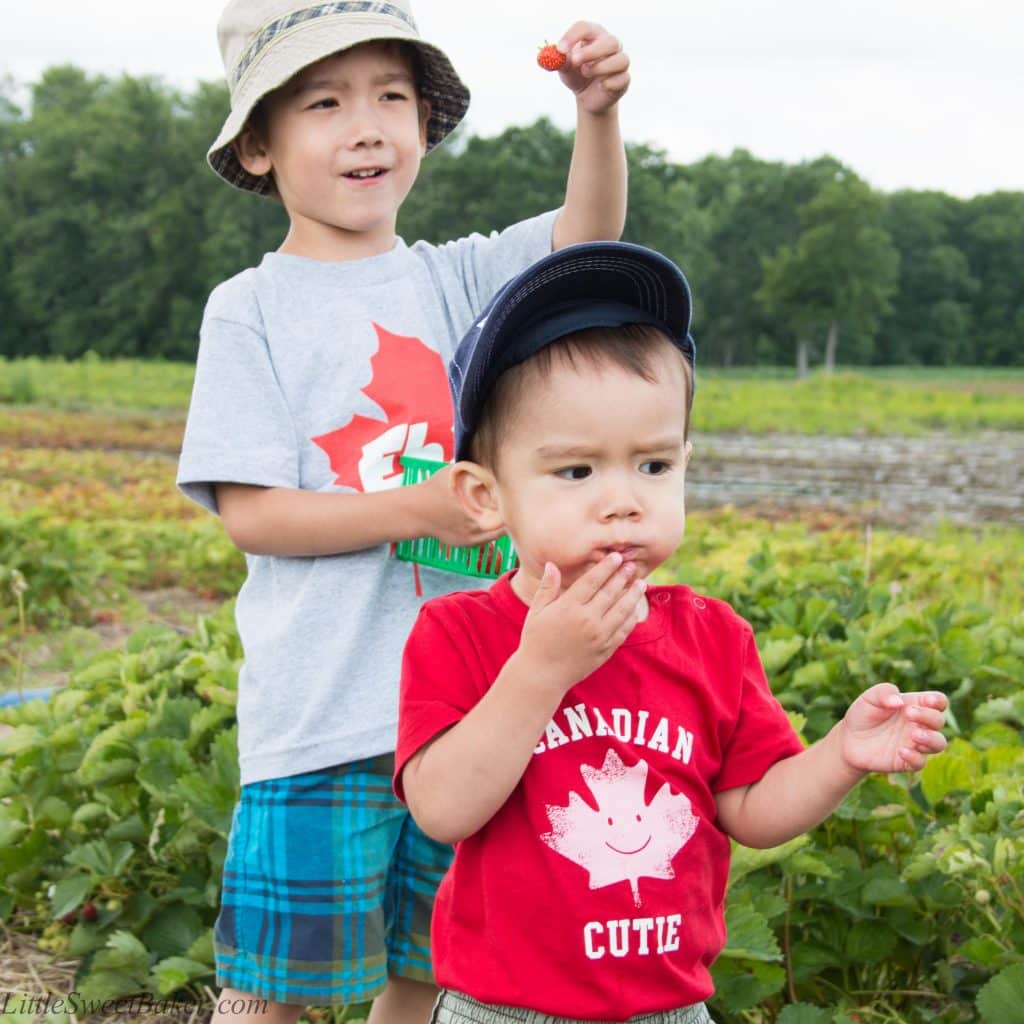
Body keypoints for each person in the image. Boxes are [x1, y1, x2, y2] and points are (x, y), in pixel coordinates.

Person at [176, 1, 632, 1020]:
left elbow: (585, 238)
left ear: (426, 127)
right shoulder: (250, 307)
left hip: (465, 710)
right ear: (259, 144)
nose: (368, 125)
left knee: (427, 965)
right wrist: (413, 506)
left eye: (393, 97)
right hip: (321, 712)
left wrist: (596, 115)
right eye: (325, 102)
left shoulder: (454, 276)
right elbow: (252, 514)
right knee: (271, 986)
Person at [394, 241, 950, 1023]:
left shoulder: (711, 637)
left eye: (653, 466)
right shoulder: (460, 634)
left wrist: (840, 759)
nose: (623, 499)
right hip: (503, 1007)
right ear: (485, 496)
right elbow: (443, 810)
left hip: (671, 1007)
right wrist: (540, 670)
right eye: (577, 471)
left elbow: (750, 811)